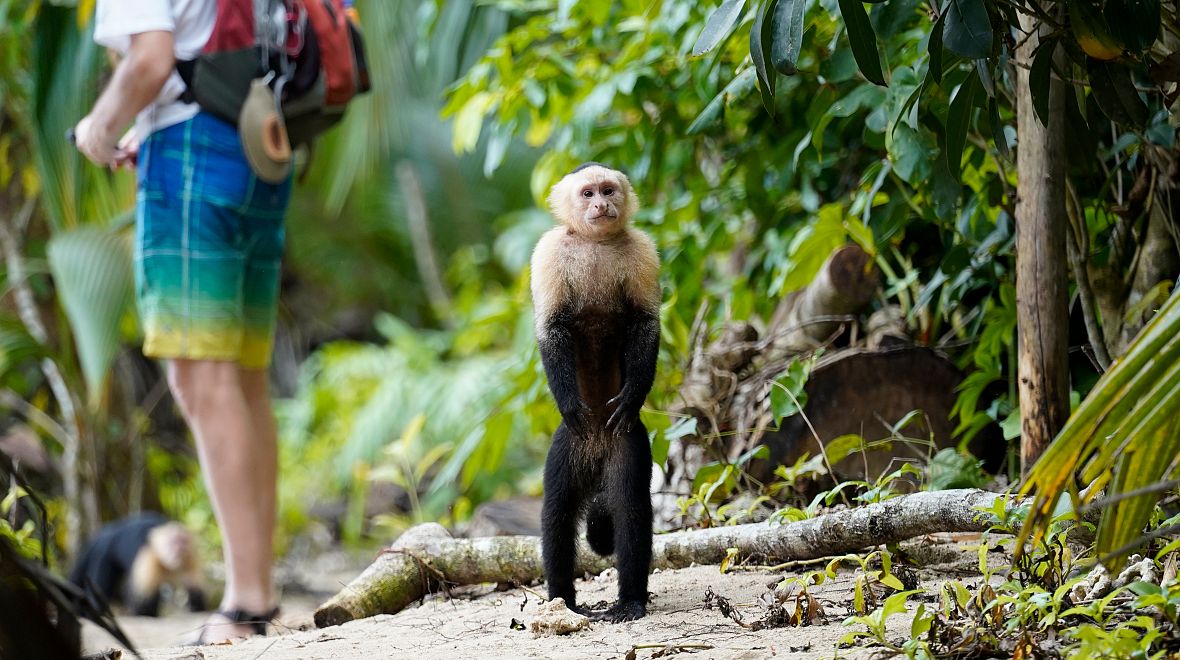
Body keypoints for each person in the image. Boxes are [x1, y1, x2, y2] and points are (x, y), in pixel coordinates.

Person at [73, 0, 290, 644]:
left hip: (192, 152)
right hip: (259, 144)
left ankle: (249, 600)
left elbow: (150, 58)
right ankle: (261, 589)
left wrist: (98, 128)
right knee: (245, 378)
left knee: (202, 380)